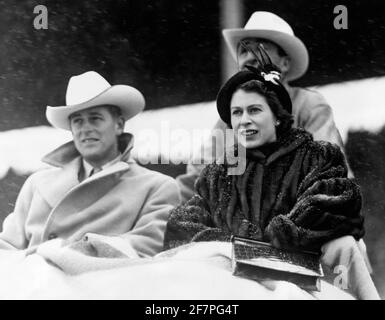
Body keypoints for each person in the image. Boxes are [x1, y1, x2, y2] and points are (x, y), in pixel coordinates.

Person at [164, 59, 364, 254]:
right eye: (236, 113)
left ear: (277, 116)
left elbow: (336, 207)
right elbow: (181, 225)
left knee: (344, 246)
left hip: (303, 274)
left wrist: (279, 235)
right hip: (234, 275)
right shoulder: (218, 174)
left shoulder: (316, 158)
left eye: (254, 110)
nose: (244, 121)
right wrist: (231, 244)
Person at [0, 71, 180, 257]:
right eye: (78, 121)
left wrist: (71, 253)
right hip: (32, 281)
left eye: (95, 118)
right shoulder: (37, 183)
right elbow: (8, 246)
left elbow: (146, 247)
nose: (85, 129)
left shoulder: (156, 187)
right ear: (71, 130)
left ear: (119, 125)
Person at [177, 11, 350, 203]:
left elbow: (330, 171)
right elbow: (196, 177)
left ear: (284, 63)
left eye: (261, 49)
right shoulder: (230, 118)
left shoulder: (309, 105)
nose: (250, 57)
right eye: (243, 51)